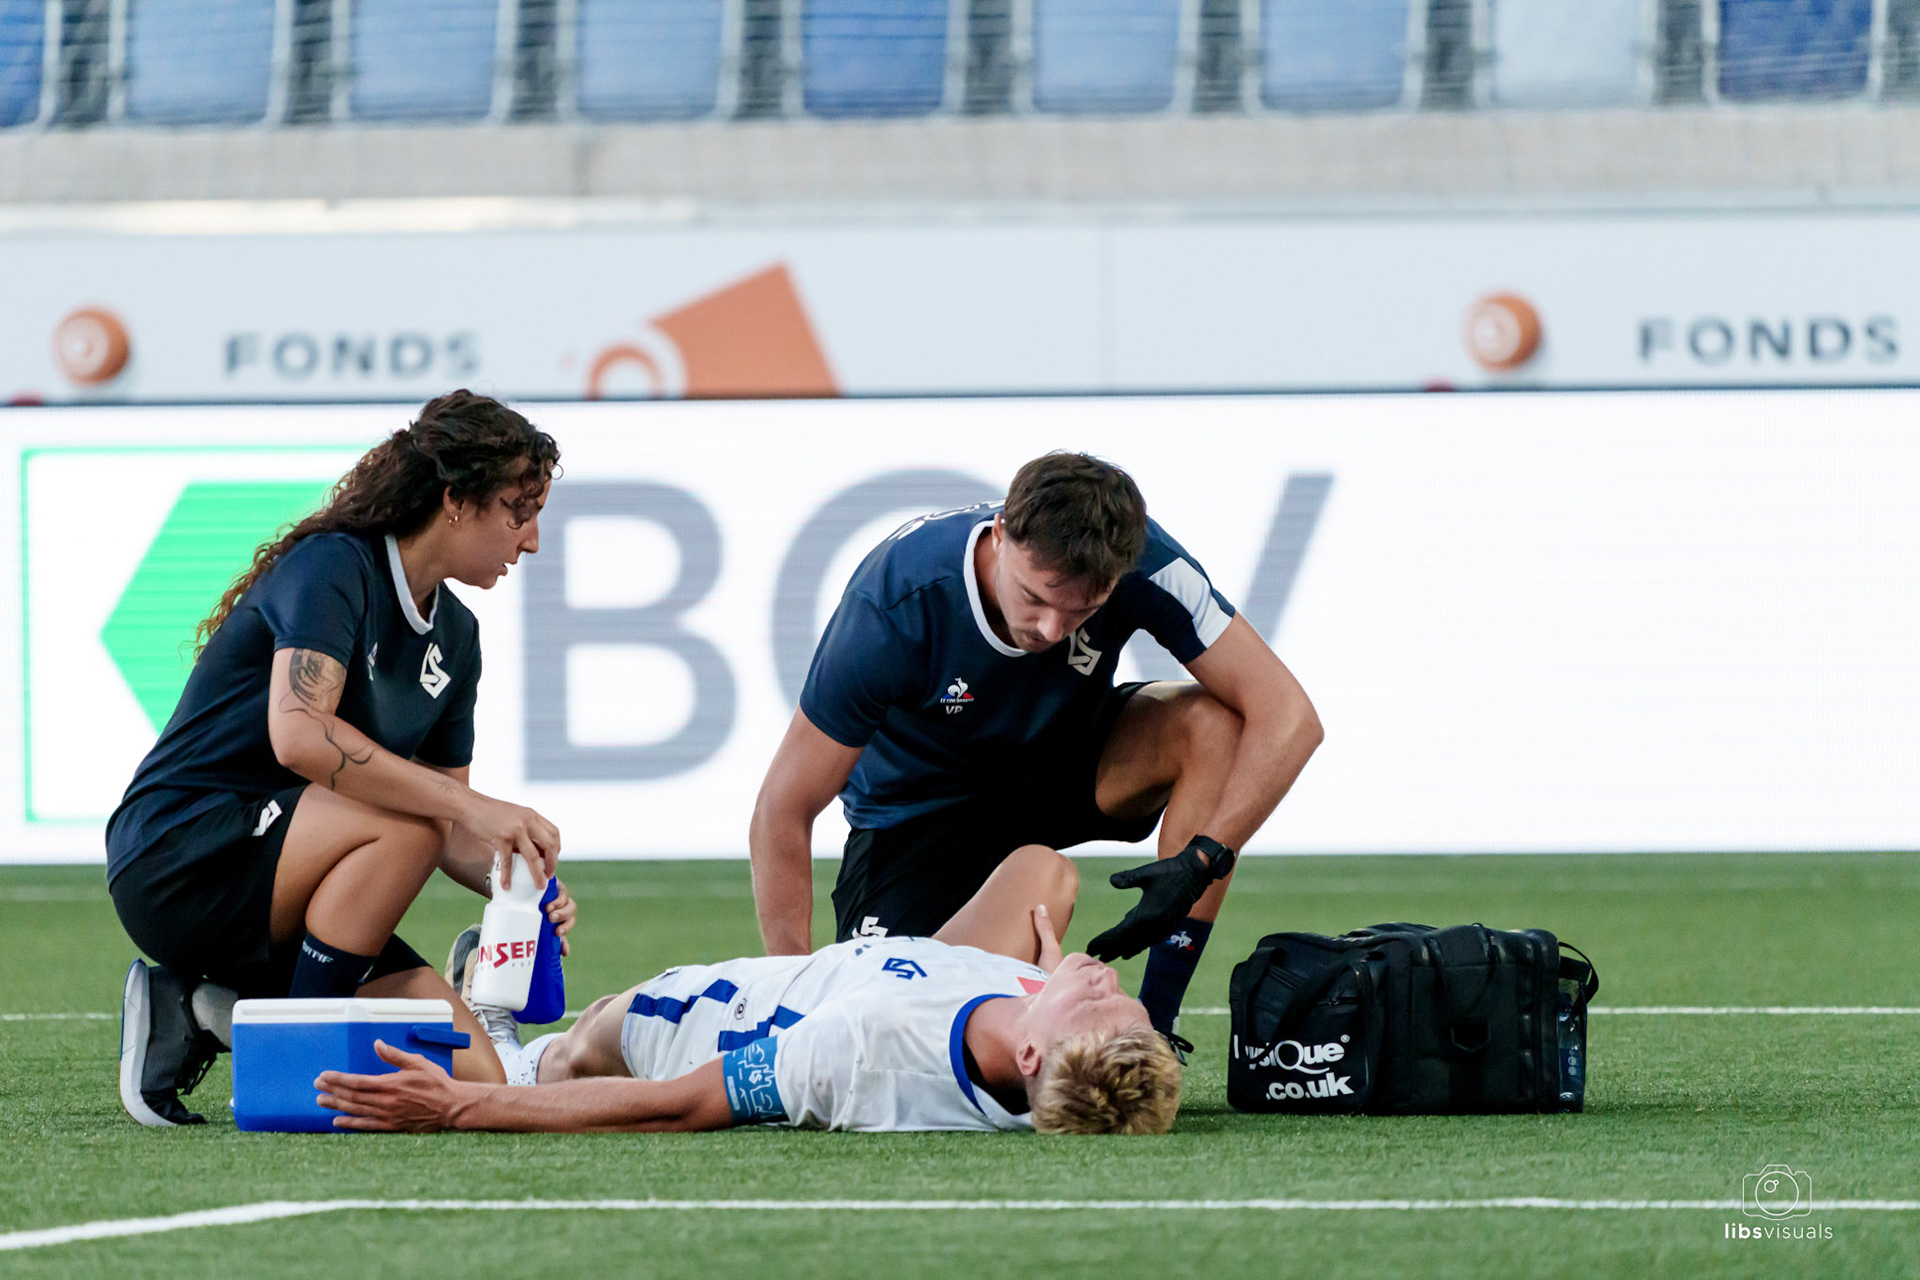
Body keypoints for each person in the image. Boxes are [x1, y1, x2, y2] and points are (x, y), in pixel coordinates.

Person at [106, 390, 573, 1127]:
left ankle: (200, 1011)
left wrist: (514, 889)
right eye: (519, 510)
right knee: (409, 820)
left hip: (293, 885)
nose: (533, 539)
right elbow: (300, 735)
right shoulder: (336, 566)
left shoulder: (458, 637)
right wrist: (472, 808)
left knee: (481, 1082)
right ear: (456, 501)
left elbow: (450, 828)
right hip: (179, 854)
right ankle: (289, 1055)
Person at [748, 452, 1323, 1044]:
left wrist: (1204, 859)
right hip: (918, 814)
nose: (1051, 630)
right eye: (1036, 597)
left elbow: (1289, 716)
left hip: (1059, 766)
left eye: (1082, 611)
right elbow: (781, 810)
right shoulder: (895, 603)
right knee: (881, 1027)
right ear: (1001, 533)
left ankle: (1155, 1027)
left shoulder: (1145, 561)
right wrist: (789, 997)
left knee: (1212, 725)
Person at [317, 846, 1181, 1135]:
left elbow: (681, 1104)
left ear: (1028, 1052)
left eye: (1095, 1001)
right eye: (1122, 999)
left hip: (698, 1021)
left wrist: (457, 1112)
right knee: (1045, 872)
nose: (1108, 981)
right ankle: (510, 1044)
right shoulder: (1033, 1017)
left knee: (574, 1050)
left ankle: (507, 1048)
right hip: (896, 978)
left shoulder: (868, 1050)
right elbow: (1057, 1005)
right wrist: (1055, 977)